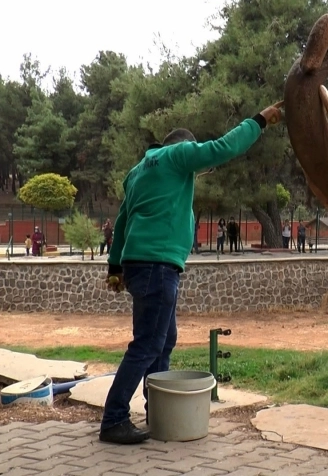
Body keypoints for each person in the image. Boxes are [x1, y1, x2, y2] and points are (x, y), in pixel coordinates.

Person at [101, 102, 283, 445]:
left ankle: (159, 412)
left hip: (141, 265)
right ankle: (113, 419)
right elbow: (223, 148)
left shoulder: (139, 170)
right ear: (182, 147)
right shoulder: (176, 156)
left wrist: (115, 267)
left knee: (163, 340)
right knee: (147, 343)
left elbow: (123, 220)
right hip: (157, 266)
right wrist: (259, 121)